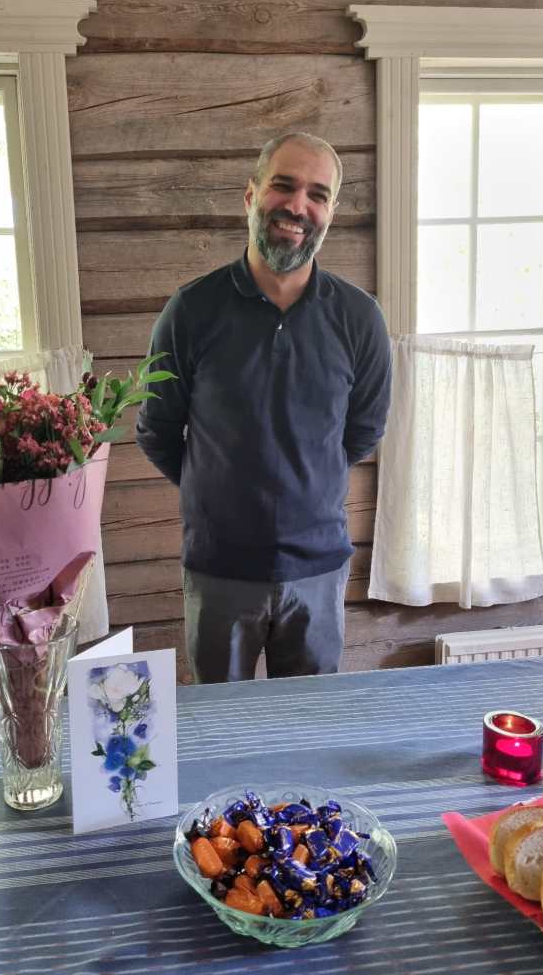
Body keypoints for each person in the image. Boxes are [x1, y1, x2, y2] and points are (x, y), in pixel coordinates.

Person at [135, 132, 391, 683]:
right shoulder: (191, 312)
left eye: (318, 195)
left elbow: (363, 432)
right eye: (284, 186)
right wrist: (218, 489)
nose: (298, 206)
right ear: (251, 196)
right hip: (219, 570)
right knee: (219, 726)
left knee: (308, 727)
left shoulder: (360, 319)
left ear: (331, 212)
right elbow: (157, 430)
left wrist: (302, 483)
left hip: (317, 570)